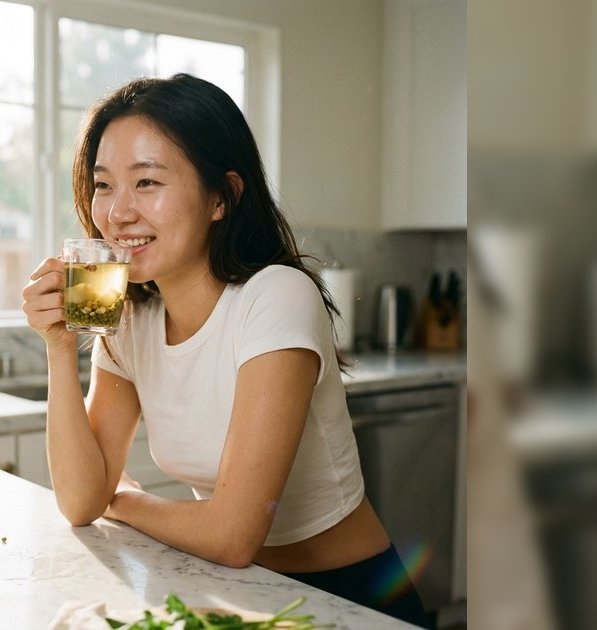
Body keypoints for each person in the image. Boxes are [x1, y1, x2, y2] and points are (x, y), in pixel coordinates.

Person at [22, 73, 429, 628]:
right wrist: (58, 349)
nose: (117, 213)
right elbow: (77, 501)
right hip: (242, 595)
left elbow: (233, 535)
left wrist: (121, 499)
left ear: (222, 197)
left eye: (147, 183)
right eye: (103, 184)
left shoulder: (277, 296)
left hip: (351, 600)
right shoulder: (130, 317)